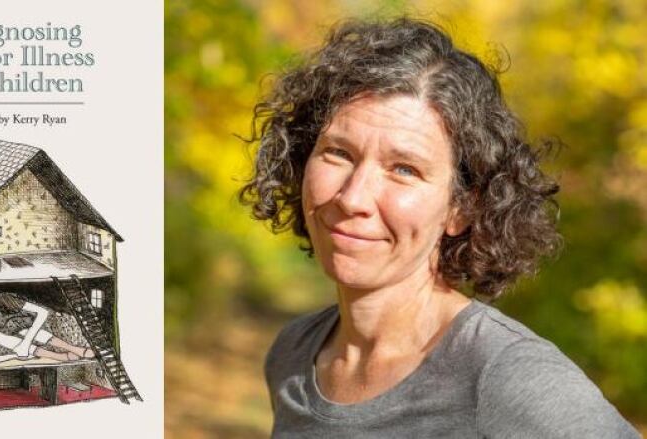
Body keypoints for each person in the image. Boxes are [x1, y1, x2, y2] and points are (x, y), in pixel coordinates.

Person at [239, 17, 641, 438]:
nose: (352, 198)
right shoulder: (293, 355)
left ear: (461, 208)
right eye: (338, 153)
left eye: (404, 169)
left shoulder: (506, 375)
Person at [0, 286, 95, 365]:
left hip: (39, 331)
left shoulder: (0, 299)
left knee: (23, 330)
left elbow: (42, 313)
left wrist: (25, 343)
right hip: (22, 350)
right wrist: (12, 356)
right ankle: (58, 356)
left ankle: (73, 349)